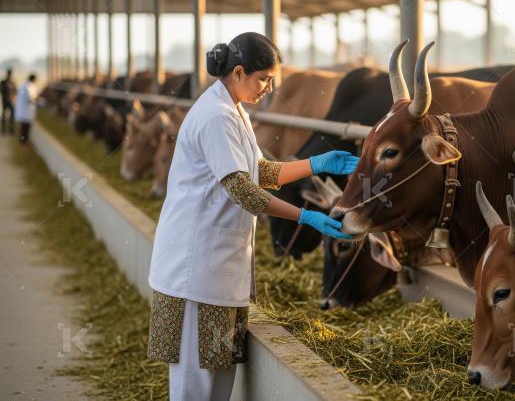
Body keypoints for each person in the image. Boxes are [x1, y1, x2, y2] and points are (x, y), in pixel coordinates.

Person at [146, 32, 358, 401]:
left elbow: (261, 172)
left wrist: (316, 163)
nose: (268, 88)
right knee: (194, 387)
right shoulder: (215, 116)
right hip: (194, 270)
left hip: (216, 266)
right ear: (239, 71)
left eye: (272, 80)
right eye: (263, 79)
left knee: (217, 375)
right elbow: (244, 191)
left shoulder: (234, 110)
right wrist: (306, 216)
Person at [14, 73, 37, 144]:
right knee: (24, 128)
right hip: (26, 111)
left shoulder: (25, 85)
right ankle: (23, 143)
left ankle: (24, 142)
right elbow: (30, 98)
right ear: (33, 79)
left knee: (24, 128)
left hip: (25, 111)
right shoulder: (27, 86)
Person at [1, 69, 17, 134]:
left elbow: (16, 91)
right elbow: (1, 91)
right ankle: (3, 130)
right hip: (5, 101)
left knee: (12, 116)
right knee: (4, 116)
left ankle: (11, 130)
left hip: (11, 102)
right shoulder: (3, 82)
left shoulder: (13, 82)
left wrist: (13, 98)